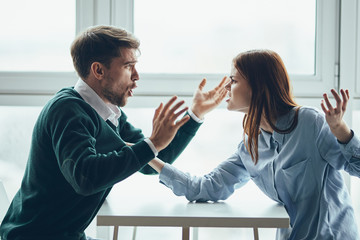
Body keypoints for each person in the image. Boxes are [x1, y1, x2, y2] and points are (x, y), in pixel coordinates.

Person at [0, 25, 227, 240]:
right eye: (128, 66)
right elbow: (85, 178)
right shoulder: (68, 110)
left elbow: (153, 161)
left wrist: (195, 116)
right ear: (98, 70)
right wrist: (152, 143)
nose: (136, 76)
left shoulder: (108, 113)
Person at [148, 49, 360, 239]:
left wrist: (340, 129)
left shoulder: (309, 122)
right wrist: (147, 155)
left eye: (234, 80)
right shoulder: (250, 146)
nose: (226, 87)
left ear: (259, 86)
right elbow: (207, 188)